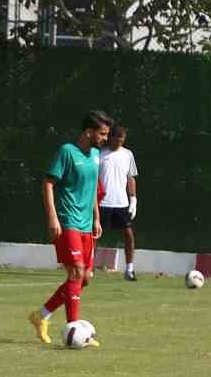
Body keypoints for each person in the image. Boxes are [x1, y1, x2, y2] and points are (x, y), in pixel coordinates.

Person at [27, 111, 108, 347]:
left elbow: (92, 190)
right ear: (88, 132)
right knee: (76, 273)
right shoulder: (67, 152)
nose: (105, 138)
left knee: (85, 278)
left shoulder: (96, 155)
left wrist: (96, 218)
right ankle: (75, 332)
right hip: (67, 221)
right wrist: (53, 217)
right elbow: (48, 184)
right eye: (102, 134)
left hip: (86, 224)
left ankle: (41, 315)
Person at [98, 124, 139, 281]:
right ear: (111, 138)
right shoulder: (99, 153)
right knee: (94, 235)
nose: (119, 143)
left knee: (128, 235)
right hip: (101, 203)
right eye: (117, 140)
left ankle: (129, 270)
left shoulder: (128, 154)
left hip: (121, 204)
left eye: (122, 141)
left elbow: (130, 178)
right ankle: (88, 268)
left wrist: (133, 199)